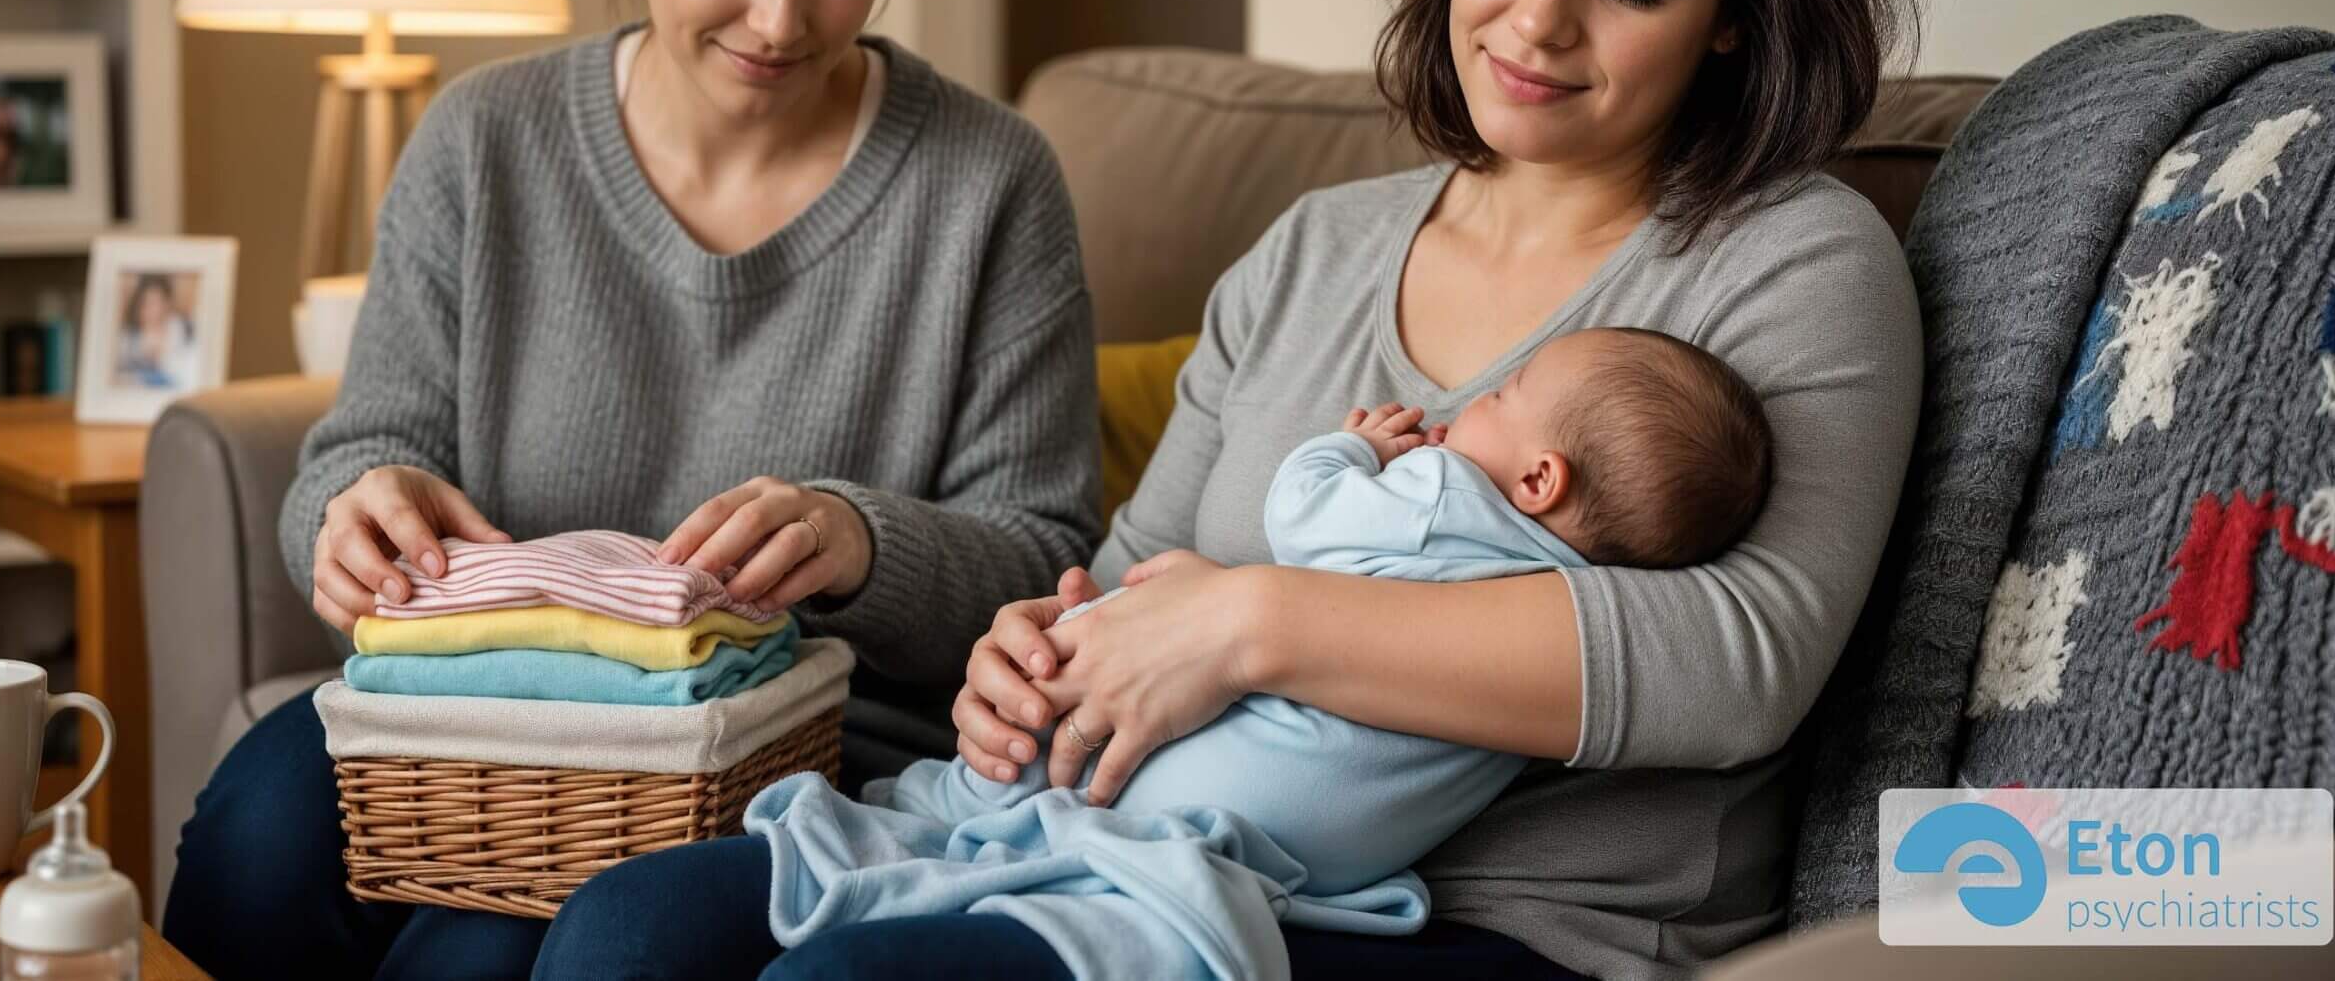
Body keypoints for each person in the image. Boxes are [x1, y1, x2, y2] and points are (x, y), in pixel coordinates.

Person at [537, 0, 1926, 981]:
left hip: (1497, 928)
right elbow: (1135, 569)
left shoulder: (1793, 263)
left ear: (1735, 16)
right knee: (629, 933)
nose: (1537, 23)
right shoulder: (1317, 250)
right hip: (1105, 838)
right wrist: (1030, 663)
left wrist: (1257, 622)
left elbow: (1738, 664)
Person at [159, 0, 1101, 981]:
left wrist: (858, 541)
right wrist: (349, 509)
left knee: (468, 961)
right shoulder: (486, 142)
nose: (780, 21)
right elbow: (365, 443)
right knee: (253, 844)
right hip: (485, 707)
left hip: (792, 741)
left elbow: (1045, 556)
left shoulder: (989, 182)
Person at [721, 328, 1772, 980]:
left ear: (1538, 480)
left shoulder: (1446, 499)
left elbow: (1303, 517)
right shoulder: (1560, 582)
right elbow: (1108, 567)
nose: (1467, 407)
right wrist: (1025, 633)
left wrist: (1349, 451)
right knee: (637, 927)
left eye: (1501, 397)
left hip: (1421, 909)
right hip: (1285, 857)